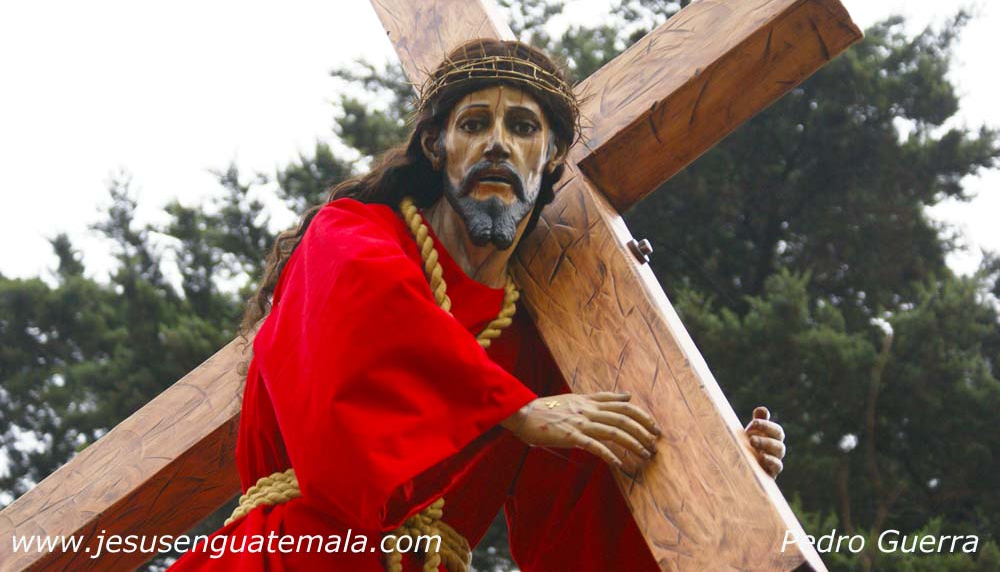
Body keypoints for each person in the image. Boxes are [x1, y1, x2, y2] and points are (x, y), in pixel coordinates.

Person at [167, 39, 787, 572]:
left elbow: (586, 524)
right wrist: (512, 409)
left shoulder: (537, 349)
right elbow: (362, 320)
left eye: (522, 128)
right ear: (436, 146)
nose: (497, 145)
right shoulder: (352, 235)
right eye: (473, 125)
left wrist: (711, 475)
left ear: (551, 159)